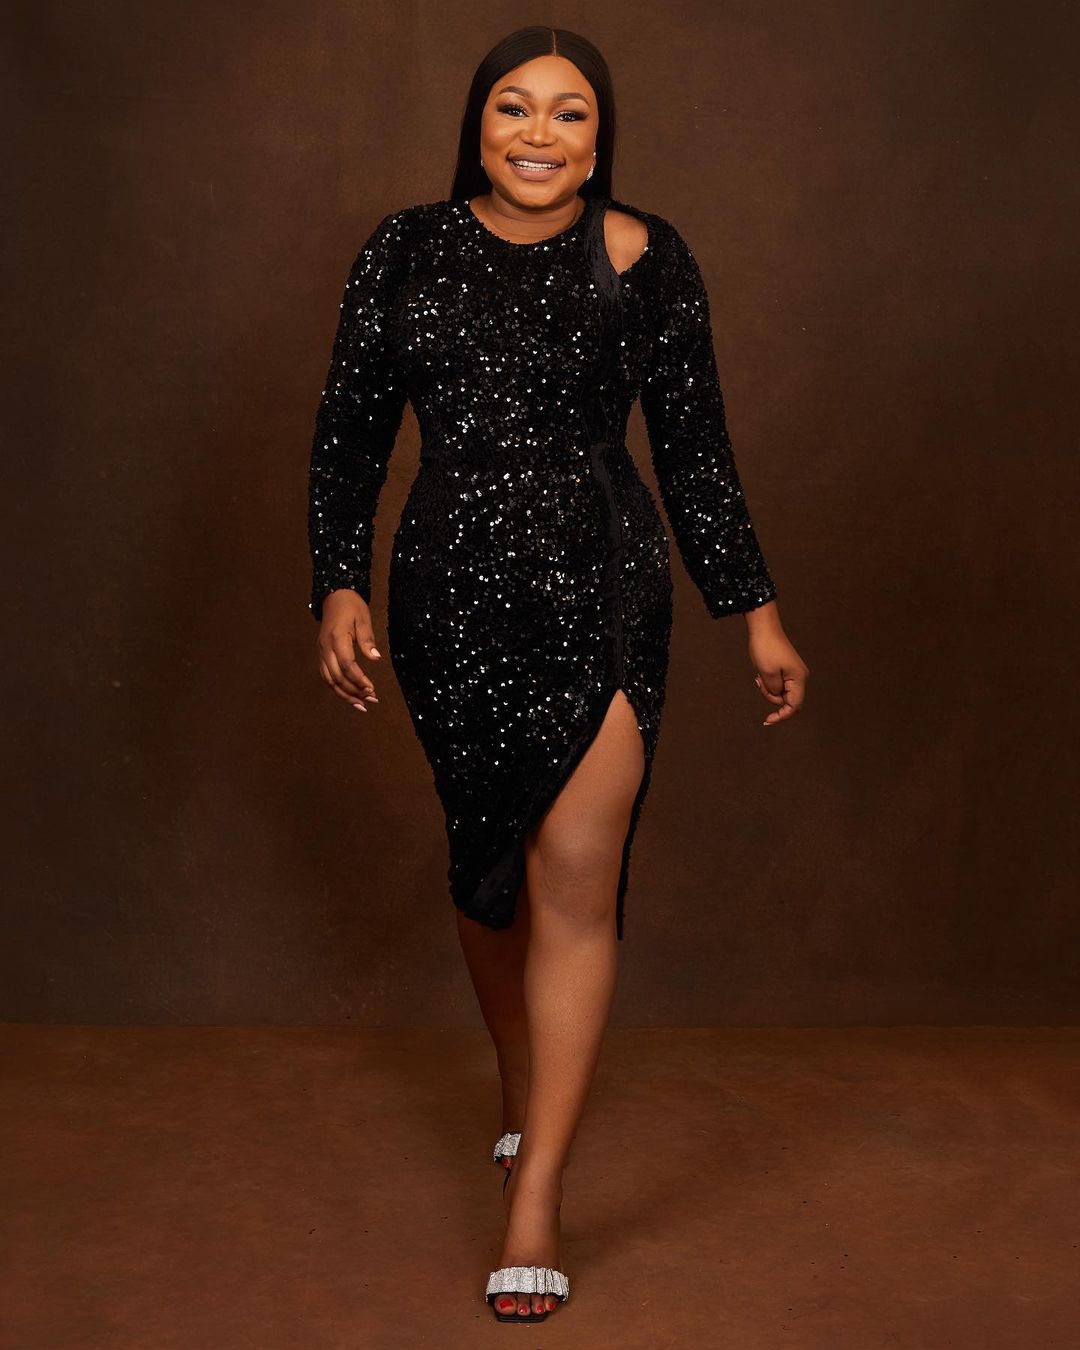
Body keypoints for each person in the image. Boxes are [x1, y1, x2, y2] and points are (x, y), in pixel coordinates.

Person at [306, 25, 809, 1324]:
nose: (540, 133)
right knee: (487, 870)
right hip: (447, 599)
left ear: (600, 136)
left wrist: (755, 614)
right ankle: (521, 1090)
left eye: (570, 112)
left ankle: (535, 1197)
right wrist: (337, 582)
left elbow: (695, 450)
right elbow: (349, 431)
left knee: (576, 878)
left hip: (604, 589)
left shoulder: (646, 255)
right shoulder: (403, 249)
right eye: (515, 107)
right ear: (477, 125)